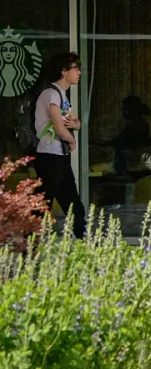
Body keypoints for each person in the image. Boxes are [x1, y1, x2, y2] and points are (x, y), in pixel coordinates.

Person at [32, 52, 85, 238]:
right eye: (75, 68)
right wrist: (72, 139)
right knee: (42, 205)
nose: (79, 72)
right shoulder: (51, 94)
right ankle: (28, 246)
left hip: (59, 156)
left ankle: (82, 242)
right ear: (63, 71)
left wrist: (74, 127)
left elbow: (75, 123)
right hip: (49, 156)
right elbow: (59, 126)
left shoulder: (61, 95)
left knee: (73, 205)